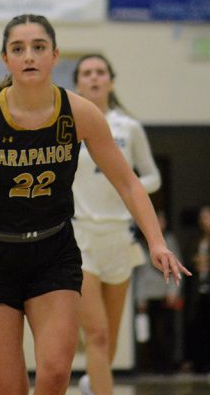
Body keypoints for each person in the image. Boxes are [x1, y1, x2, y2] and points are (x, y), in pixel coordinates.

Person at [0, 14, 188, 395]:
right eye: (18, 49)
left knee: (57, 373)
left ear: (55, 55)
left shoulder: (80, 114)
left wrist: (157, 242)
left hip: (52, 250)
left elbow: (127, 182)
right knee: (9, 388)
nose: (29, 56)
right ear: (6, 59)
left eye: (39, 47)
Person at [70, 53, 162, 395]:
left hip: (120, 239)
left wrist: (128, 184)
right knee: (96, 335)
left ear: (110, 79)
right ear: (78, 81)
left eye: (100, 72)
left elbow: (151, 176)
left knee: (108, 340)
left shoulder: (129, 127)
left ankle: (92, 385)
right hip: (82, 238)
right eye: (87, 73)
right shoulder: (68, 126)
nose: (94, 78)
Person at [133, 209, 182, 373]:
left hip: (165, 292)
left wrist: (173, 291)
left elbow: (177, 266)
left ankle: (169, 365)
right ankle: (154, 364)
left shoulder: (170, 240)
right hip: (148, 294)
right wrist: (140, 298)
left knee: (168, 330)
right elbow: (138, 274)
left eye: (159, 220)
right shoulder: (140, 243)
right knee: (151, 331)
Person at [184, 205, 210, 373]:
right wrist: (197, 262)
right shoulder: (196, 240)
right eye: (204, 218)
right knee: (198, 327)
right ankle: (198, 362)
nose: (206, 221)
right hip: (198, 290)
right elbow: (188, 259)